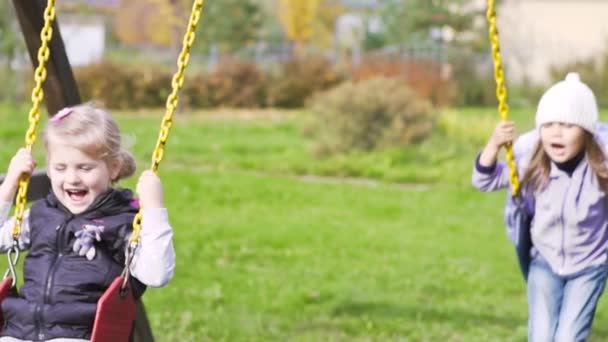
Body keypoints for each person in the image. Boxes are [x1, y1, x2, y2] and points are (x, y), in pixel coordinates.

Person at [0, 103, 175, 341]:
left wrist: (154, 209)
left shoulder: (121, 223)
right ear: (49, 170)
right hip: (19, 331)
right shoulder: (41, 214)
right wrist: (9, 186)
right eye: (60, 167)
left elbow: (156, 274)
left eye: (84, 168)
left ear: (113, 168)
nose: (72, 178)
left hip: (79, 334)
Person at [472, 73, 608, 341]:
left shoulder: (600, 167)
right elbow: (483, 180)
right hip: (544, 260)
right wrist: (494, 145)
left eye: (568, 125)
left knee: (568, 337)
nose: (556, 132)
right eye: (549, 125)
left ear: (586, 132)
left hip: (590, 264)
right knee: (542, 336)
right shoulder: (531, 164)